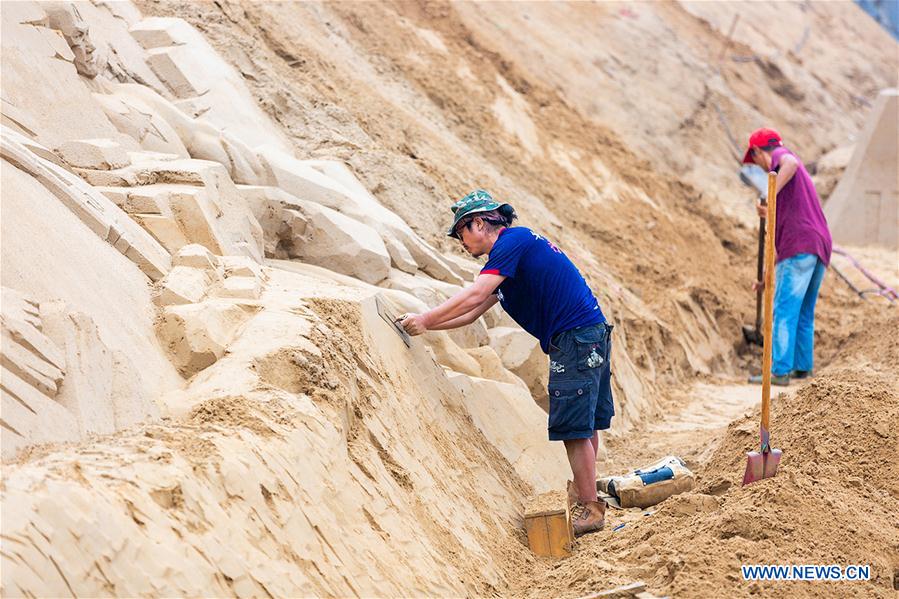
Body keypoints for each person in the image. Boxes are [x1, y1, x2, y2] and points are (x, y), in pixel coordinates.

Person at [400, 189, 613, 536]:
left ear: (480, 222)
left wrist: (426, 318)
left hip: (576, 337)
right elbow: (471, 314)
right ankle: (587, 491)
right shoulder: (511, 256)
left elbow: (476, 294)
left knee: (574, 427)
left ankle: (590, 507)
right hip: (589, 333)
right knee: (586, 423)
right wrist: (427, 325)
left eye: (461, 233)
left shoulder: (511, 242)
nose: (460, 242)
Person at [742, 128, 832, 385]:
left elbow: (790, 161)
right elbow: (779, 248)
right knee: (803, 310)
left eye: (757, 161)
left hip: (801, 246)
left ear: (759, 152)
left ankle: (779, 371)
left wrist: (771, 196)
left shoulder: (781, 157)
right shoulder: (792, 196)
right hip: (818, 244)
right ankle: (802, 367)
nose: (761, 169)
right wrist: (766, 279)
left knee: (783, 310)